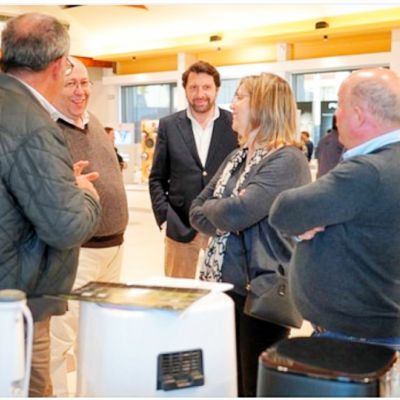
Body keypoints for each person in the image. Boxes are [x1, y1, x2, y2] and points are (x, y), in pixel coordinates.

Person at [190, 73, 311, 396]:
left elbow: (236, 214)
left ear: (263, 106)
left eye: (240, 97)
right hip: (221, 286)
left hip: (261, 292)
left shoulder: (287, 160)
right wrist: (225, 209)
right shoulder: (237, 158)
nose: (232, 104)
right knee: (225, 381)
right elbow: (196, 210)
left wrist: (223, 209)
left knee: (253, 386)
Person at [0, 13, 101, 397]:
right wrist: (84, 193)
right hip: (18, 305)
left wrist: (57, 183)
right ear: (59, 66)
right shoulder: (33, 124)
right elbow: (66, 226)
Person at [269, 68, 400, 350]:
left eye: (339, 105)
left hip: (358, 340)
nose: (336, 115)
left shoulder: (368, 171)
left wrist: (306, 223)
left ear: (359, 115)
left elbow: (284, 211)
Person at [49, 57, 129, 397]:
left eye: (84, 83)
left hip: (112, 250)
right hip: (77, 253)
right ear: (55, 85)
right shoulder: (48, 129)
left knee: (99, 337)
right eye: (71, 83)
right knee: (60, 338)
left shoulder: (93, 121)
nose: (80, 91)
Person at [149, 60, 237, 278]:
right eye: (193, 87)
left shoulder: (234, 124)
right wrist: (165, 218)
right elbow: (157, 178)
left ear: (217, 89)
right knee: (177, 293)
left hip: (222, 226)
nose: (200, 94)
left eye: (206, 87)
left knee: (222, 292)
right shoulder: (169, 125)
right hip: (180, 227)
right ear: (185, 90)